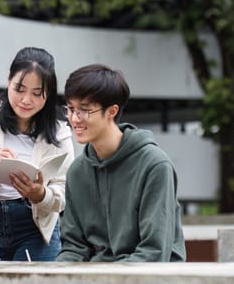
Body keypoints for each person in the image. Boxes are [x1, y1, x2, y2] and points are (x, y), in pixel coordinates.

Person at [57, 64, 186, 262]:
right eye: (71, 109)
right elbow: (73, 248)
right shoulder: (77, 172)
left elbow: (154, 252)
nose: (74, 118)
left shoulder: (155, 166)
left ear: (111, 111)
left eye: (84, 110)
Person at [0, 47, 75, 261]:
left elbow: (65, 189)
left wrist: (40, 194)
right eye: (19, 88)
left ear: (48, 94)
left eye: (37, 93)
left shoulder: (59, 131)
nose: (26, 100)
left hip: (35, 227)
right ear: (8, 81)